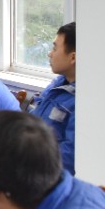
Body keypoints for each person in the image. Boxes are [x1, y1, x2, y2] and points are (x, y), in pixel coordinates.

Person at [30, 21, 77, 173]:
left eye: (55, 48)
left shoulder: (81, 102)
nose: (50, 53)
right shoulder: (58, 84)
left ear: (73, 57)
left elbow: (68, 158)